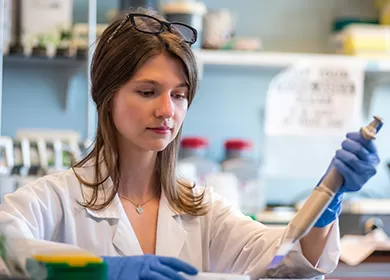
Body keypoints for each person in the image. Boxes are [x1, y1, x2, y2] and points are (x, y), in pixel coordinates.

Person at [0, 7, 381, 280]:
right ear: (107, 97)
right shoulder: (54, 200)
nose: (167, 110)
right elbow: (7, 247)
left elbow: (282, 261)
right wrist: (99, 271)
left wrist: (327, 200)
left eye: (179, 95)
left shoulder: (201, 209)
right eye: (148, 92)